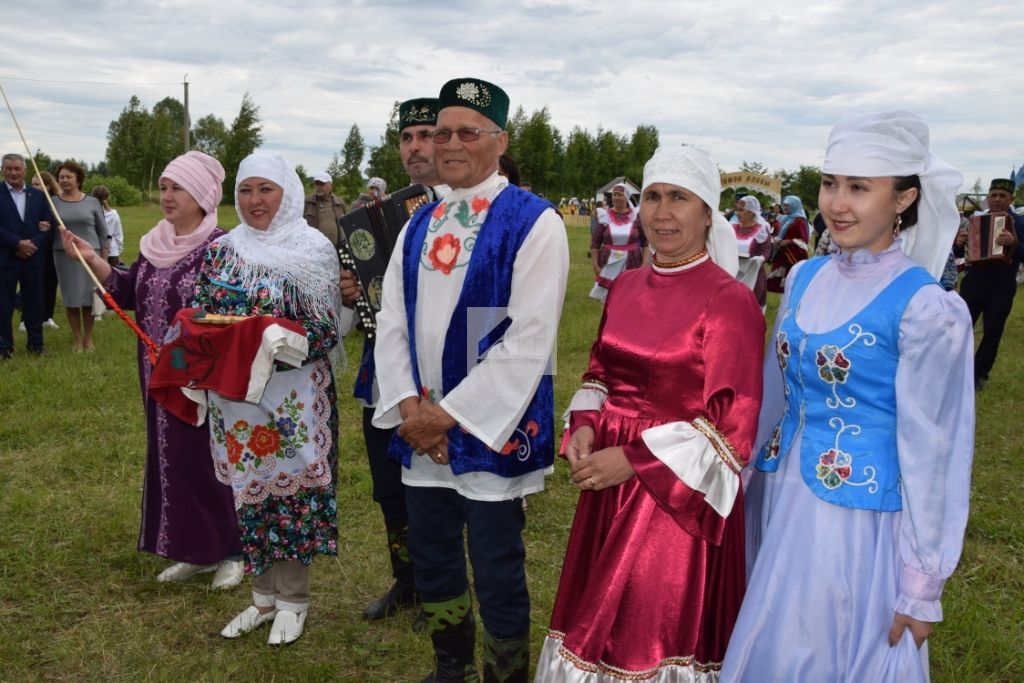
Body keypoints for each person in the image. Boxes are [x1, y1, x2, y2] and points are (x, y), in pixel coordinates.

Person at [721, 110, 974, 682]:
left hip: (855, 523)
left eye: (860, 187)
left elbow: (936, 450)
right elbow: (775, 392)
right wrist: (739, 477)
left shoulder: (926, 308)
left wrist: (921, 581)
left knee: (823, 646)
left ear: (904, 198)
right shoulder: (806, 277)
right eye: (831, 182)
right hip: (779, 497)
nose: (838, 202)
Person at [537, 146, 761, 682]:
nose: (662, 213)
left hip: (675, 496)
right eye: (654, 197)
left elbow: (733, 427)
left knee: (646, 629)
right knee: (594, 616)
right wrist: (586, 426)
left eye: (679, 198)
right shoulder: (629, 282)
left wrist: (634, 460)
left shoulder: (729, 301)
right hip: (608, 474)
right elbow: (600, 370)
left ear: (708, 212)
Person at [373, 77, 568, 682]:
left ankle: (503, 675)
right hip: (422, 424)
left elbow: (528, 338)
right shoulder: (419, 222)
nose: (449, 143)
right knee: (433, 557)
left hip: (491, 425)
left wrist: (447, 416)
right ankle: (449, 667)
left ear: (499, 140)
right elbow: (393, 320)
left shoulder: (534, 222)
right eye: (441, 132)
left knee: (496, 562)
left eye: (467, 132)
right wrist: (409, 405)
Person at [59, 152, 243, 588]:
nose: (167, 196)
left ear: (201, 195)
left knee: (211, 459)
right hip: (157, 376)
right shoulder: (155, 244)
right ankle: (194, 549)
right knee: (172, 457)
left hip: (203, 380)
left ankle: (234, 551)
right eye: (163, 187)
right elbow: (128, 291)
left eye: (177, 187)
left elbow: (230, 317)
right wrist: (93, 259)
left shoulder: (221, 249)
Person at [196, 151, 345, 646]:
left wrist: (270, 345)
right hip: (236, 403)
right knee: (250, 495)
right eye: (245, 190)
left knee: (294, 498)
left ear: (288, 193)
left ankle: (294, 600)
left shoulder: (313, 248)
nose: (255, 201)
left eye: (266, 189)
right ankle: (262, 597)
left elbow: (325, 329)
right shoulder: (222, 250)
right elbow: (206, 315)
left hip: (294, 400)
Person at [344, 96, 449, 624]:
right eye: (408, 138)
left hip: (441, 378)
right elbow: (372, 297)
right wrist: (353, 290)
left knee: (442, 492)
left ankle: (441, 587)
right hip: (382, 373)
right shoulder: (381, 214)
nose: (416, 147)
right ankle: (406, 580)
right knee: (389, 488)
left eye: (427, 134)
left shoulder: (469, 209)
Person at [954, 178, 1024, 390]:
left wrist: (1014, 244)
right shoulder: (976, 220)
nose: (997, 200)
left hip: (1002, 284)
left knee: (993, 331)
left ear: (1011, 199)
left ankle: (978, 374)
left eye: (1002, 196)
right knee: (960, 327)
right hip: (974, 280)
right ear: (987, 198)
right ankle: (955, 370)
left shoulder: (1020, 223)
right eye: (993, 195)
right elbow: (958, 254)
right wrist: (959, 243)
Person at [51, 160, 108, 351]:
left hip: (90, 256)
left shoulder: (92, 202)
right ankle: (77, 340)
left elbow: (103, 232)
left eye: (69, 177)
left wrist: (104, 259)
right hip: (64, 256)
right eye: (61, 177)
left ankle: (88, 339)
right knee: (72, 298)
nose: (65, 180)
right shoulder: (53, 202)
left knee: (89, 298)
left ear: (78, 179)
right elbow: (48, 228)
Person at [1, 153, 53, 359]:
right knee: (3, 304)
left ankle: (36, 345)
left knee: (34, 302)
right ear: (2, 170)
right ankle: (3, 347)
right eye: (9, 168)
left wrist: (33, 243)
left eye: (17, 168)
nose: (13, 172)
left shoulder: (38, 195)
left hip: (33, 258)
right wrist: (17, 243)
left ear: (25, 170)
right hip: (5, 257)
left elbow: (49, 225)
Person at [589, 182, 648, 302]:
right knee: (609, 299)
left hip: (632, 263)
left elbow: (645, 241)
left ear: (626, 197)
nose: (616, 197)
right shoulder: (604, 216)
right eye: (614, 194)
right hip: (608, 263)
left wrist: (645, 262)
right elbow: (595, 243)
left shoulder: (636, 216)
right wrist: (595, 265)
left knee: (629, 299)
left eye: (620, 195)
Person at [29, 171, 60, 330]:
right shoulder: (29, 201)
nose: (33, 186)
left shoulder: (57, 203)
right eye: (32, 183)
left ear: (48, 186)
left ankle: (48, 317)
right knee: (34, 284)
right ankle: (25, 319)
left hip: (53, 248)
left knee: (51, 283)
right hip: (35, 247)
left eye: (37, 184)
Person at [733, 194, 772, 306]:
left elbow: (767, 250)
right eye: (737, 209)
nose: (737, 213)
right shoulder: (733, 226)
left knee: (748, 306)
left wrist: (760, 259)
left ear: (751, 212)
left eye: (741, 210)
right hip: (733, 272)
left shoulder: (761, 229)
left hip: (752, 274)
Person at [766, 194, 809, 293]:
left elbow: (804, 239)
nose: (784, 208)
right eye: (784, 205)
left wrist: (789, 241)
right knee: (781, 282)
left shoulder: (800, 221)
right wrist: (778, 240)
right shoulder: (786, 218)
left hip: (795, 254)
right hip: (783, 252)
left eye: (787, 206)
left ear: (794, 206)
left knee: (792, 280)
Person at [303, 171, 347, 246]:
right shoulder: (307, 202)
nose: (319, 187)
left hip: (337, 248)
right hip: (314, 249)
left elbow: (344, 224)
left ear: (331, 186)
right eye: (317, 184)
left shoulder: (339, 203)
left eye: (322, 184)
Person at [91, 185, 124, 267]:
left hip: (94, 250)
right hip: (111, 252)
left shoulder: (89, 213)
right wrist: (118, 252)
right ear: (108, 198)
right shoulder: (113, 214)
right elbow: (118, 236)